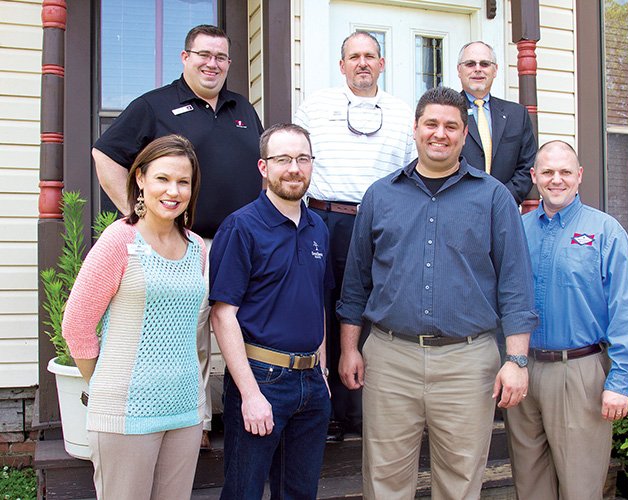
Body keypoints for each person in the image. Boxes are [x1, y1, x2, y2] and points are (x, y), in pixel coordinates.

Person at [337, 87, 538, 499]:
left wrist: (516, 359)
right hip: (391, 358)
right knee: (384, 480)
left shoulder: (493, 197)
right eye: (431, 124)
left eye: (451, 126)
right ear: (415, 129)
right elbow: (356, 282)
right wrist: (349, 348)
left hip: (468, 361)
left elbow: (516, 285)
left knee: (460, 482)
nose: (439, 134)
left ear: (465, 135)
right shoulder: (380, 195)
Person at [92, 24, 264, 447]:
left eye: (221, 57)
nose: (213, 64)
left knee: (244, 326)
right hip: (188, 243)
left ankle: (253, 411)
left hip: (240, 242)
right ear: (185, 57)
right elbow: (106, 154)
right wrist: (142, 217)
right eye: (204, 55)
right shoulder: (155, 105)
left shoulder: (242, 107)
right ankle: (196, 423)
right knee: (189, 333)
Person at [61, 135, 206, 499]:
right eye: (163, 178)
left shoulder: (197, 249)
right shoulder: (119, 242)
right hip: (126, 414)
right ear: (140, 178)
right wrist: (107, 381)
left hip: (185, 409)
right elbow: (77, 324)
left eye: (183, 182)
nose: (173, 190)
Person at [507, 141, 628, 499]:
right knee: (530, 484)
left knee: (580, 487)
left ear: (579, 176)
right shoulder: (517, 231)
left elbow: (627, 308)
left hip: (580, 372)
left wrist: (620, 379)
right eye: (548, 172)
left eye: (565, 172)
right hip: (524, 370)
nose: (557, 180)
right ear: (534, 177)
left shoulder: (605, 232)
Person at [293, 31, 415, 438]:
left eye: (370, 56)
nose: (362, 63)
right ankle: (322, 409)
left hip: (383, 223)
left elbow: (414, 175)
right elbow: (299, 164)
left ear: (382, 64)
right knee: (322, 309)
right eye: (354, 56)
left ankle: (360, 411)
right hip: (326, 220)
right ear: (342, 65)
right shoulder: (315, 107)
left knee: (371, 311)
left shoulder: (402, 112)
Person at [209, 123, 332, 499]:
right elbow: (222, 314)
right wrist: (249, 394)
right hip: (261, 378)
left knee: (299, 493)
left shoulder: (318, 228)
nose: (294, 168)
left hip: (311, 382)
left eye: (302, 158)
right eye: (283, 159)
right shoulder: (242, 227)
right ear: (264, 167)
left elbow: (317, 303)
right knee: (244, 492)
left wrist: (322, 372)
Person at [457, 41, 536, 204]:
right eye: (470, 64)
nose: (477, 69)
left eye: (485, 64)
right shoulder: (447, 112)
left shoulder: (517, 115)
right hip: (458, 209)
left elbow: (528, 166)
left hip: (504, 210)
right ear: (459, 70)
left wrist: (501, 199)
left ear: (495, 70)